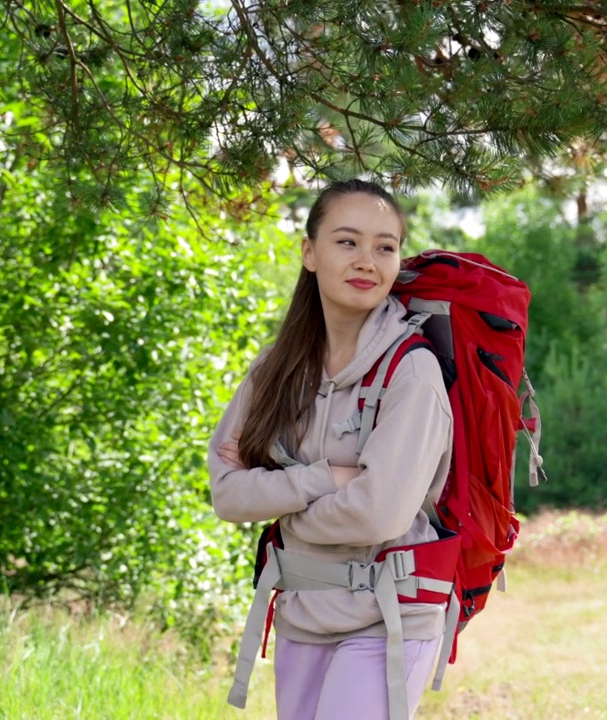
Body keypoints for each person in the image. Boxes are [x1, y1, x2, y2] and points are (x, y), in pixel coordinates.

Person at [208, 179, 454, 720]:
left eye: (385, 247)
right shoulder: (276, 368)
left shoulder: (412, 370)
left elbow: (377, 513)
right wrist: (325, 480)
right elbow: (227, 495)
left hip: (389, 613)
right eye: (347, 242)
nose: (367, 260)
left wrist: (281, 510)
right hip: (303, 610)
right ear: (309, 253)